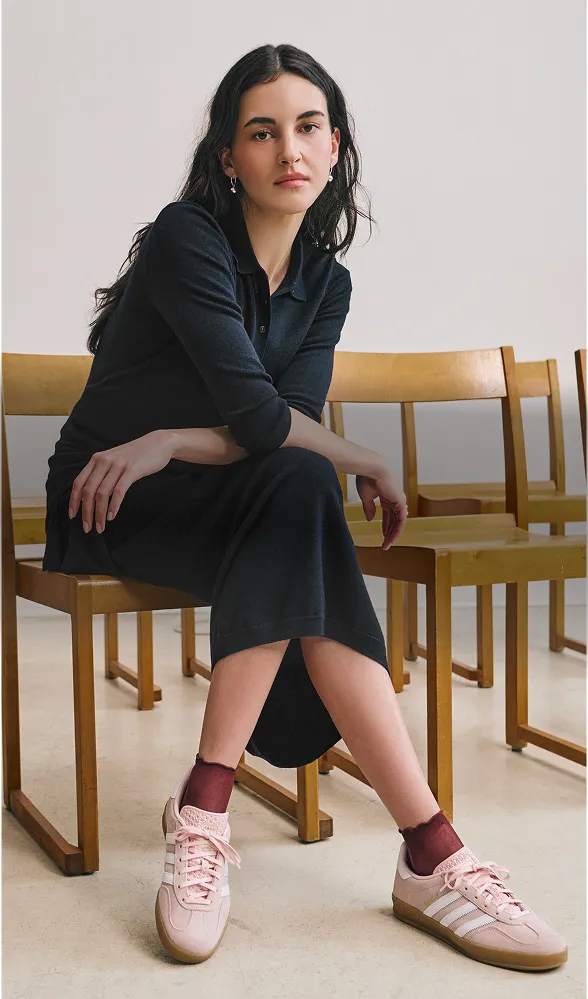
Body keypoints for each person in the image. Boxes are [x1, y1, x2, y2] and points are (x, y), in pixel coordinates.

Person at [42, 43, 567, 973]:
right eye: (262, 131)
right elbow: (262, 417)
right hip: (110, 498)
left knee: (298, 484)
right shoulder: (186, 237)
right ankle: (430, 852)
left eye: (308, 126)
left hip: (224, 493)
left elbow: (278, 423)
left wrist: (174, 437)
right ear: (228, 157)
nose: (289, 148)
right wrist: (359, 455)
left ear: (334, 146)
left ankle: (216, 804)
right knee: (308, 482)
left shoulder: (327, 281)